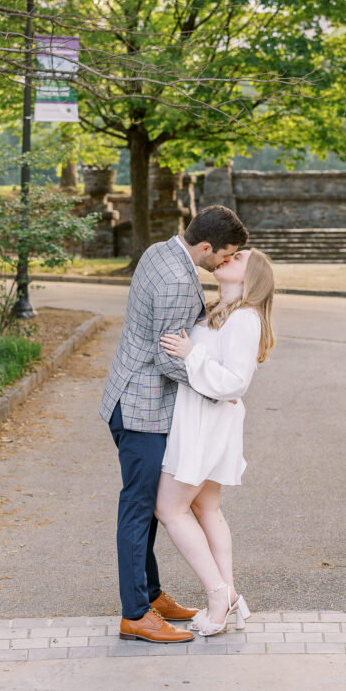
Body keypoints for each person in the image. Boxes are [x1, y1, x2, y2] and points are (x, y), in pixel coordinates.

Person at [100, 205, 249, 644]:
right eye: (225, 255)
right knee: (138, 508)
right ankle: (136, 614)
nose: (225, 262)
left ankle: (149, 593)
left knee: (146, 507)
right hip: (142, 410)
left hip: (129, 398)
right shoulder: (175, 281)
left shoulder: (160, 251)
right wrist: (218, 389)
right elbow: (168, 356)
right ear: (206, 247)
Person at [155, 247, 275, 637]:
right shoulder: (215, 311)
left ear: (250, 277)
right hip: (199, 417)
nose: (228, 257)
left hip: (206, 423)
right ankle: (230, 594)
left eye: (239, 258)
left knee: (169, 509)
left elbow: (236, 382)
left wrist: (192, 355)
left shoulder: (243, 318)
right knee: (207, 508)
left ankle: (217, 593)